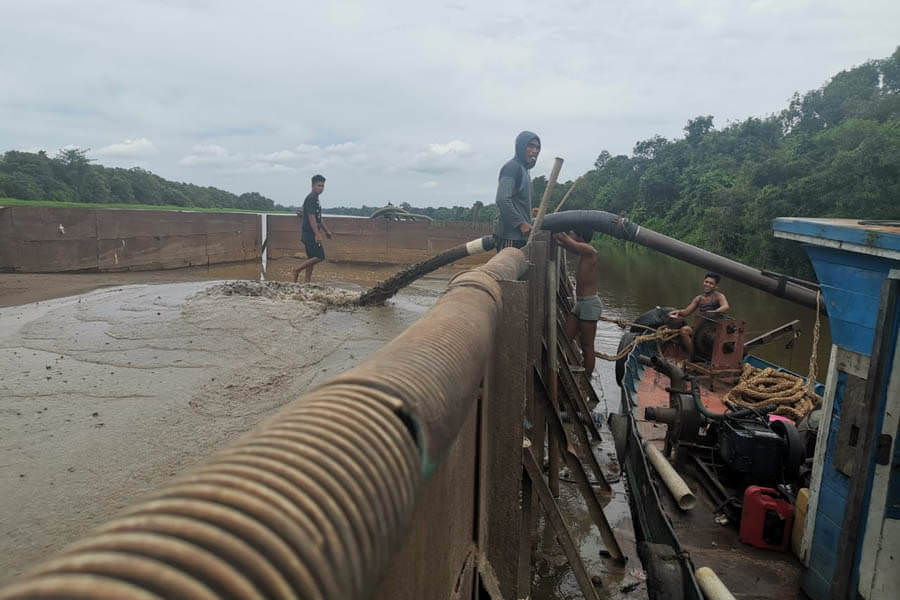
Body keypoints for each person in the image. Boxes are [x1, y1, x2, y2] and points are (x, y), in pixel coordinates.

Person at [556, 229, 602, 376]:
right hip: (580, 303)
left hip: (590, 304)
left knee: (587, 346)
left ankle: (587, 377)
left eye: (572, 233)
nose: (570, 235)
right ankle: (559, 367)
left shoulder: (589, 250)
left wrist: (556, 227)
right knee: (565, 337)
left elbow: (566, 240)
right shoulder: (583, 251)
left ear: (579, 235)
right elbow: (564, 243)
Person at [493, 131, 541, 250]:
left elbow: (518, 201)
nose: (535, 151)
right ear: (520, 146)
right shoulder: (512, 167)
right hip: (510, 237)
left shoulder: (524, 170)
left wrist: (529, 214)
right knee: (508, 262)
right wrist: (521, 223)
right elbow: (502, 199)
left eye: (537, 147)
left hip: (520, 237)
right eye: (531, 146)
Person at [668, 272, 730, 358]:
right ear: (703, 282)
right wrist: (677, 312)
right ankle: (694, 354)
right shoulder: (699, 298)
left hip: (714, 330)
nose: (707, 285)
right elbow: (686, 312)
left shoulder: (719, 296)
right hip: (700, 329)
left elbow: (725, 306)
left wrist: (714, 312)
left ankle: (697, 355)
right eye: (706, 282)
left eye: (711, 283)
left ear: (716, 286)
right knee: (684, 331)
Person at [292, 174, 332, 283]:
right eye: (319, 185)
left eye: (323, 186)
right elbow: (311, 217)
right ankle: (297, 270)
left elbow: (318, 218)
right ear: (313, 186)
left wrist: (326, 231)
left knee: (311, 258)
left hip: (310, 233)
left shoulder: (316, 199)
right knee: (320, 256)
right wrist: (317, 234)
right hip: (310, 233)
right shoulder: (311, 198)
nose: (321, 188)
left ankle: (307, 281)